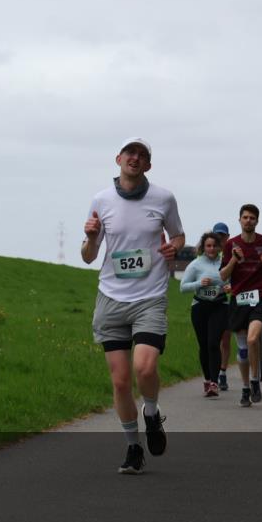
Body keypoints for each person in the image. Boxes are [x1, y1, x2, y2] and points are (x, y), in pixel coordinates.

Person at [82, 137, 185, 474]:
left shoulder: (164, 198)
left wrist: (174, 248)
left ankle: (152, 413)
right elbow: (88, 256)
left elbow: (179, 236)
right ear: (118, 159)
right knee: (122, 382)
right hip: (111, 299)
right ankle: (132, 448)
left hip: (149, 298)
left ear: (148, 165)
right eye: (130, 153)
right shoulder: (101, 199)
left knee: (145, 368)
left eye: (142, 155)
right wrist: (91, 236)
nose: (135, 158)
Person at [220, 204, 262, 408]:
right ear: (239, 220)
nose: (248, 221)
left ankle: (255, 381)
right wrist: (234, 262)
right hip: (239, 299)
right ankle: (246, 387)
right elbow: (222, 275)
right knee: (243, 349)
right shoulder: (231, 245)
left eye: (252, 218)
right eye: (245, 217)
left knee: (253, 337)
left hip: (260, 296)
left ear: (257, 221)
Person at [180, 232, 228, 397]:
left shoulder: (225, 262)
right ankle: (207, 379)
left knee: (214, 343)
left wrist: (230, 287)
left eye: (214, 245)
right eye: (208, 245)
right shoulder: (195, 265)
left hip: (220, 305)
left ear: (219, 247)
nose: (212, 248)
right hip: (200, 306)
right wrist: (199, 283)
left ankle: (214, 383)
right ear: (203, 247)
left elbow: (234, 281)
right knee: (204, 344)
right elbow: (183, 287)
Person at [212, 222, 233, 391]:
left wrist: (233, 286)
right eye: (217, 235)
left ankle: (222, 372)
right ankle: (211, 374)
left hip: (227, 301)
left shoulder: (233, 253)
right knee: (212, 340)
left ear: (227, 237)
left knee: (225, 339)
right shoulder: (205, 253)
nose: (220, 238)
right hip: (209, 302)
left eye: (222, 235)